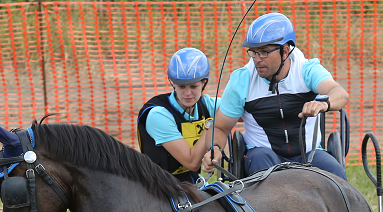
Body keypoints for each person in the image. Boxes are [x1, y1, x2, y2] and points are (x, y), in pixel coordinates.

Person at [201, 12, 350, 180]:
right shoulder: (242, 80)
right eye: (253, 52)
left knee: (336, 175)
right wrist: (214, 148)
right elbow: (220, 127)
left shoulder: (307, 69)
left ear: (285, 51)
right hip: (261, 155)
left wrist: (324, 104)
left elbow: (340, 94)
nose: (257, 59)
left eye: (264, 52)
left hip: (309, 154)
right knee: (264, 166)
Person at [138, 47, 219, 183]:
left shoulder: (206, 103)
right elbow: (192, 162)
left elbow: (238, 111)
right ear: (173, 83)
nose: (187, 94)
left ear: (203, 83)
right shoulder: (158, 115)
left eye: (193, 87)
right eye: (181, 87)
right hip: (158, 188)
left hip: (190, 183)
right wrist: (210, 126)